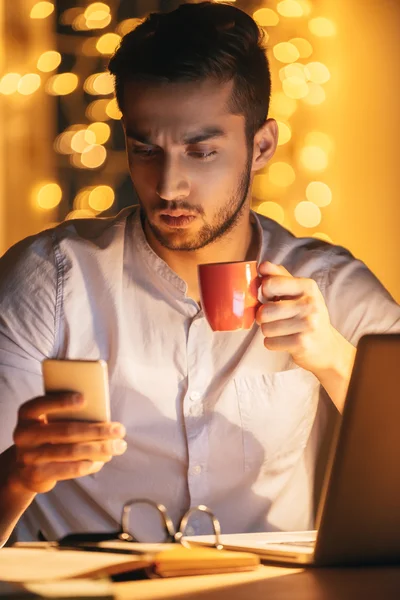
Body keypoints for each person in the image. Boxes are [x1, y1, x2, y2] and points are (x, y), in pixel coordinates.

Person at [0, 1, 399, 547]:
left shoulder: (329, 285)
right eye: (145, 149)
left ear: (260, 147)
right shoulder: (49, 281)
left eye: (201, 152)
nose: (169, 186)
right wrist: (19, 477)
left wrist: (333, 358)